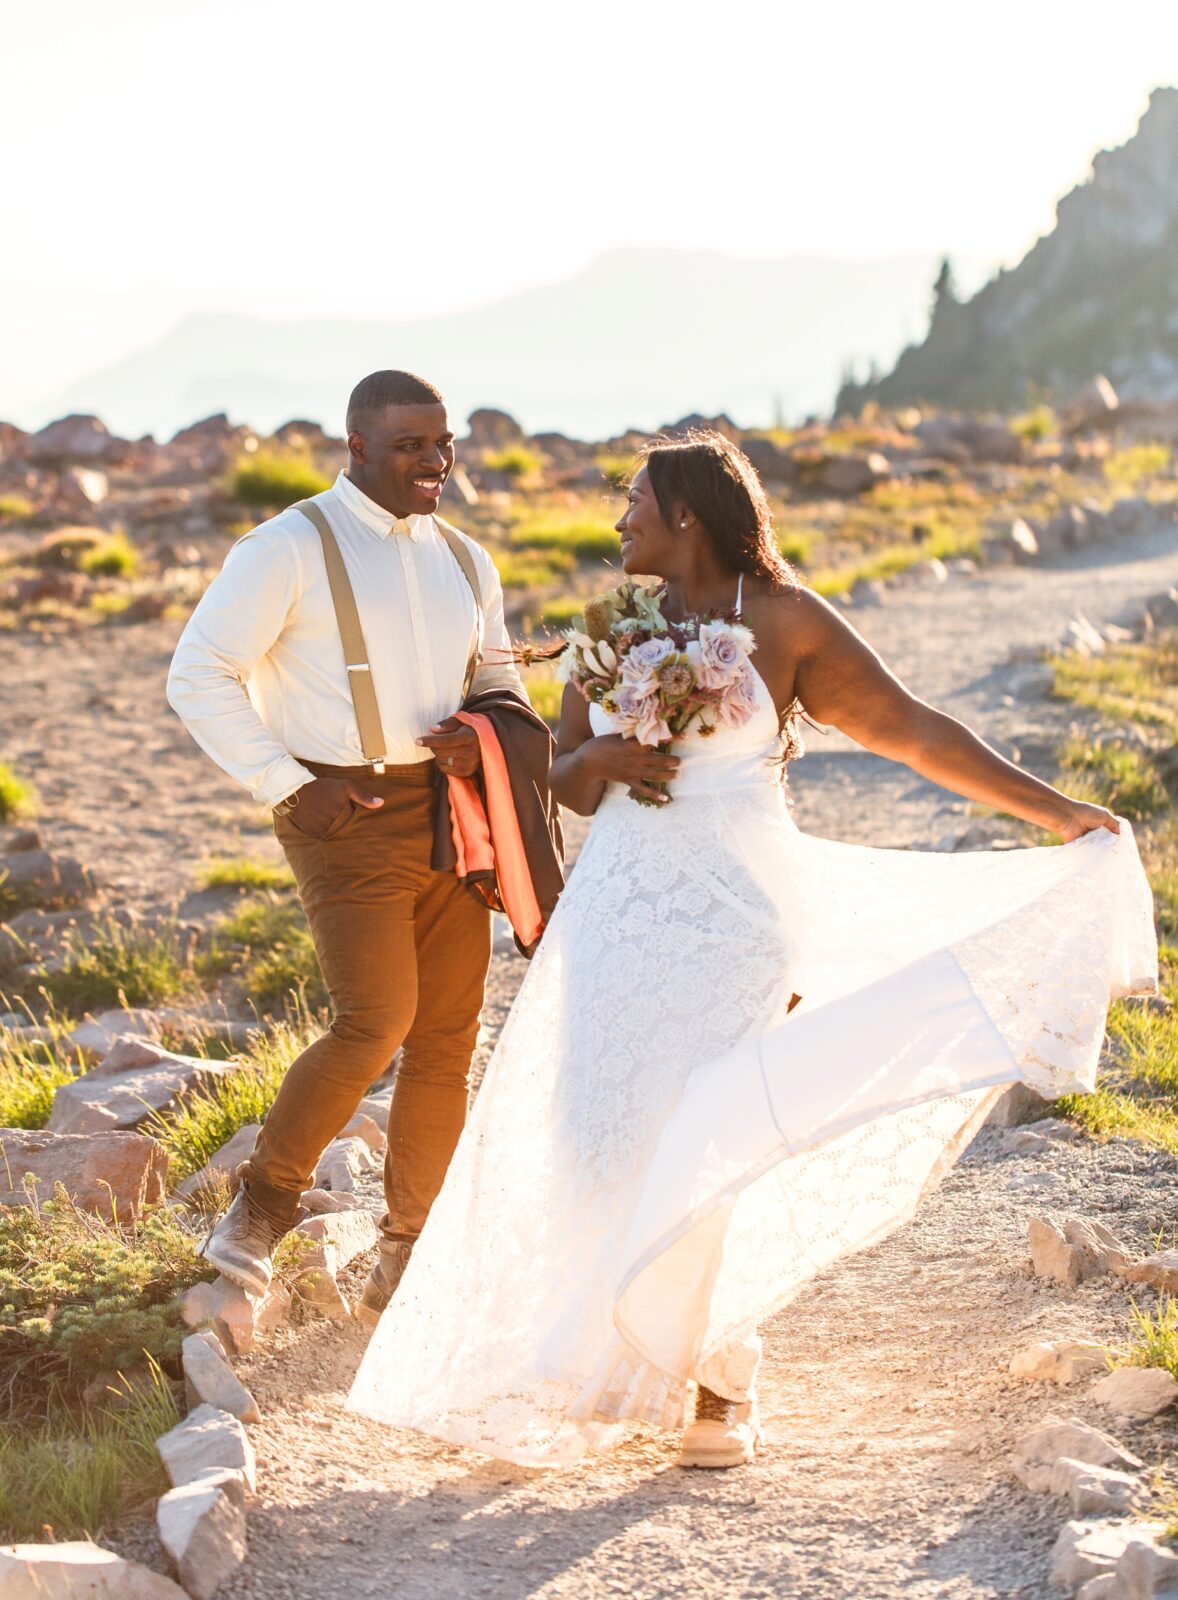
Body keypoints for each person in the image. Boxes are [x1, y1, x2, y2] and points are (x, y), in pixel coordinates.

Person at [348, 431, 1157, 1469]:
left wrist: (1051, 812)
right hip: (618, 915)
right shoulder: (606, 626)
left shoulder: (783, 622)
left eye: (633, 502)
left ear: (685, 512)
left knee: (708, 1128)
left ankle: (721, 1379)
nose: (616, 522)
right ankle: (594, 1366)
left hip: (738, 916)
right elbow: (568, 781)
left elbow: (909, 729)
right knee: (597, 1134)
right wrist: (601, 748)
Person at [167, 369, 532, 1323]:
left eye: (443, 443)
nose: (435, 461)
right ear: (357, 447)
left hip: (452, 814)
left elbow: (500, 681)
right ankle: (258, 1210)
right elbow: (198, 674)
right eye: (411, 445)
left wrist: (482, 728)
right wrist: (288, 784)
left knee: (449, 1038)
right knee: (375, 1023)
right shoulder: (286, 547)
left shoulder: (467, 560)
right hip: (344, 815)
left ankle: (407, 1250)